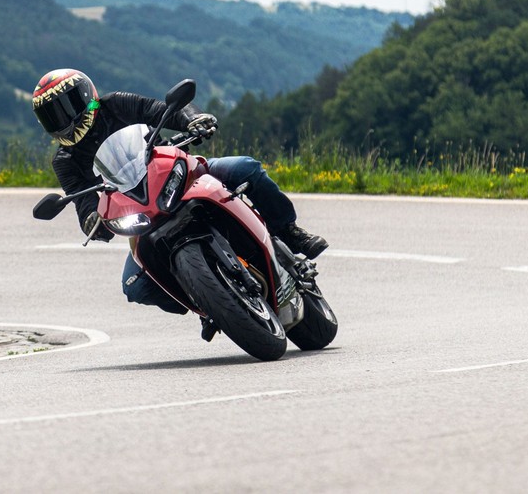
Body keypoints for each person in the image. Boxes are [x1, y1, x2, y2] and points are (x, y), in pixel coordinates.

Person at [32, 68, 329, 341]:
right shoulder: (65, 161)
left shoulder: (116, 104)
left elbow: (162, 111)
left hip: (174, 172)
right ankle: (205, 299)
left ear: (86, 97)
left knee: (245, 168)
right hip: (139, 211)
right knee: (134, 286)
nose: (63, 120)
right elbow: (83, 200)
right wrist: (92, 222)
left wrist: (193, 119)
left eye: (65, 108)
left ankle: (287, 231)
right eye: (51, 116)